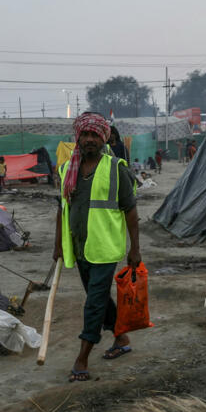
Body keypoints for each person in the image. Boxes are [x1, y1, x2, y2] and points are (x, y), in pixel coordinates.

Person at [53, 112, 141, 382]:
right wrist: (58, 245)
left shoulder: (116, 168)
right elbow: (62, 209)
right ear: (77, 138)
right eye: (85, 135)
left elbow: (131, 211)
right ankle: (121, 338)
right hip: (80, 249)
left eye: (94, 135)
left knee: (93, 303)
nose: (89, 140)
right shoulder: (68, 169)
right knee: (99, 298)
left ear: (103, 138)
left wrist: (134, 249)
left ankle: (82, 359)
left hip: (105, 249)